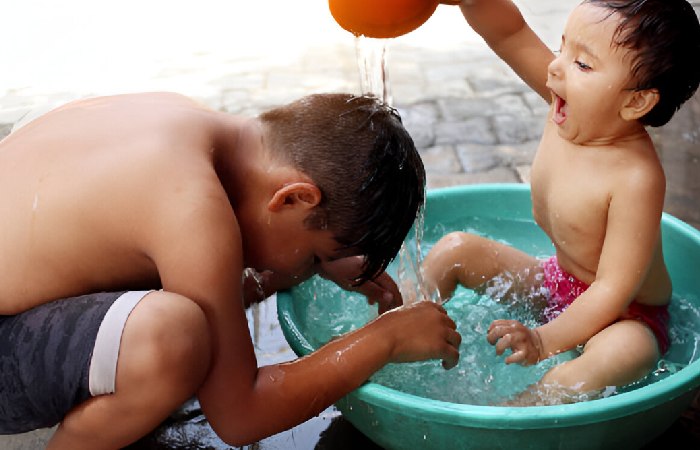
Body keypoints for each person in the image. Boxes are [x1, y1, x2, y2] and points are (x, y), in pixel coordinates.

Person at [0, 91, 462, 448]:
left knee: (185, 314)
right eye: (314, 256)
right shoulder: (193, 210)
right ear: (293, 198)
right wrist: (386, 338)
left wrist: (308, 263)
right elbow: (241, 416)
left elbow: (209, 278)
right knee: (169, 340)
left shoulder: (189, 123)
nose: (310, 269)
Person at [422, 0, 700, 404]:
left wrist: (542, 339)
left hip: (625, 316)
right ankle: (396, 331)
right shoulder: (567, 104)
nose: (555, 67)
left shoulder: (635, 177)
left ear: (636, 102)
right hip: (558, 281)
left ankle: (514, 416)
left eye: (582, 64)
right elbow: (510, 34)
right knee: (454, 249)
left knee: (617, 358)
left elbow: (612, 288)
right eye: (562, 47)